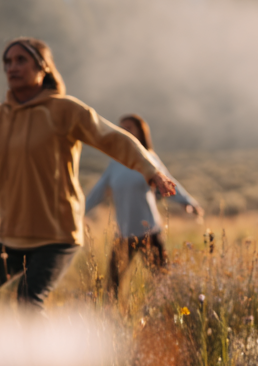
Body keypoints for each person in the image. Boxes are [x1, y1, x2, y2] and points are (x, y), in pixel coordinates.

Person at [0, 37, 174, 307]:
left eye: (21, 60)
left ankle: (43, 351)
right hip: (11, 236)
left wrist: (150, 169)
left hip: (58, 236)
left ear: (44, 68)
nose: (12, 67)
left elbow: (112, 138)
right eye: (7, 62)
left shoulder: (65, 110)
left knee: (29, 299)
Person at [84, 114, 201, 295]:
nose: (124, 132)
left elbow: (167, 183)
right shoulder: (115, 163)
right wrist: (77, 213)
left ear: (140, 132)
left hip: (149, 232)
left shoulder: (149, 159)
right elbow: (97, 192)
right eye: (121, 128)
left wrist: (188, 202)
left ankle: (168, 317)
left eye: (129, 128)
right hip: (123, 234)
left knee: (163, 281)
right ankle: (112, 319)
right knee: (112, 286)